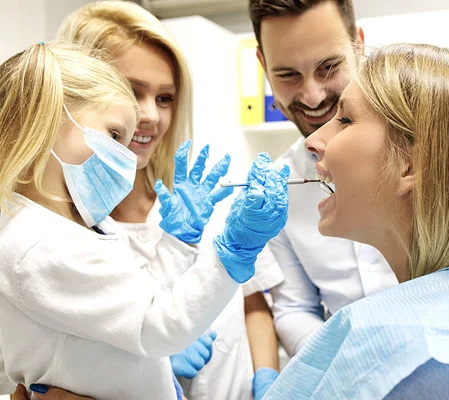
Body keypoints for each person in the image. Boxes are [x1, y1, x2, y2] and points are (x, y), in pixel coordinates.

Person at [249, 0, 449, 398]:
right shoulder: (279, 187)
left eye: (328, 68)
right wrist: (339, 366)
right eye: (288, 75)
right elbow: (295, 308)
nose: (313, 96)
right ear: (264, 66)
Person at [0, 40, 288, 400]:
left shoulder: (73, 230)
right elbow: (158, 323)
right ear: (47, 120)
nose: (124, 154)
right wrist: (232, 252)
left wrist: (177, 244)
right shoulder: (40, 246)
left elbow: (138, 298)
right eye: (114, 135)